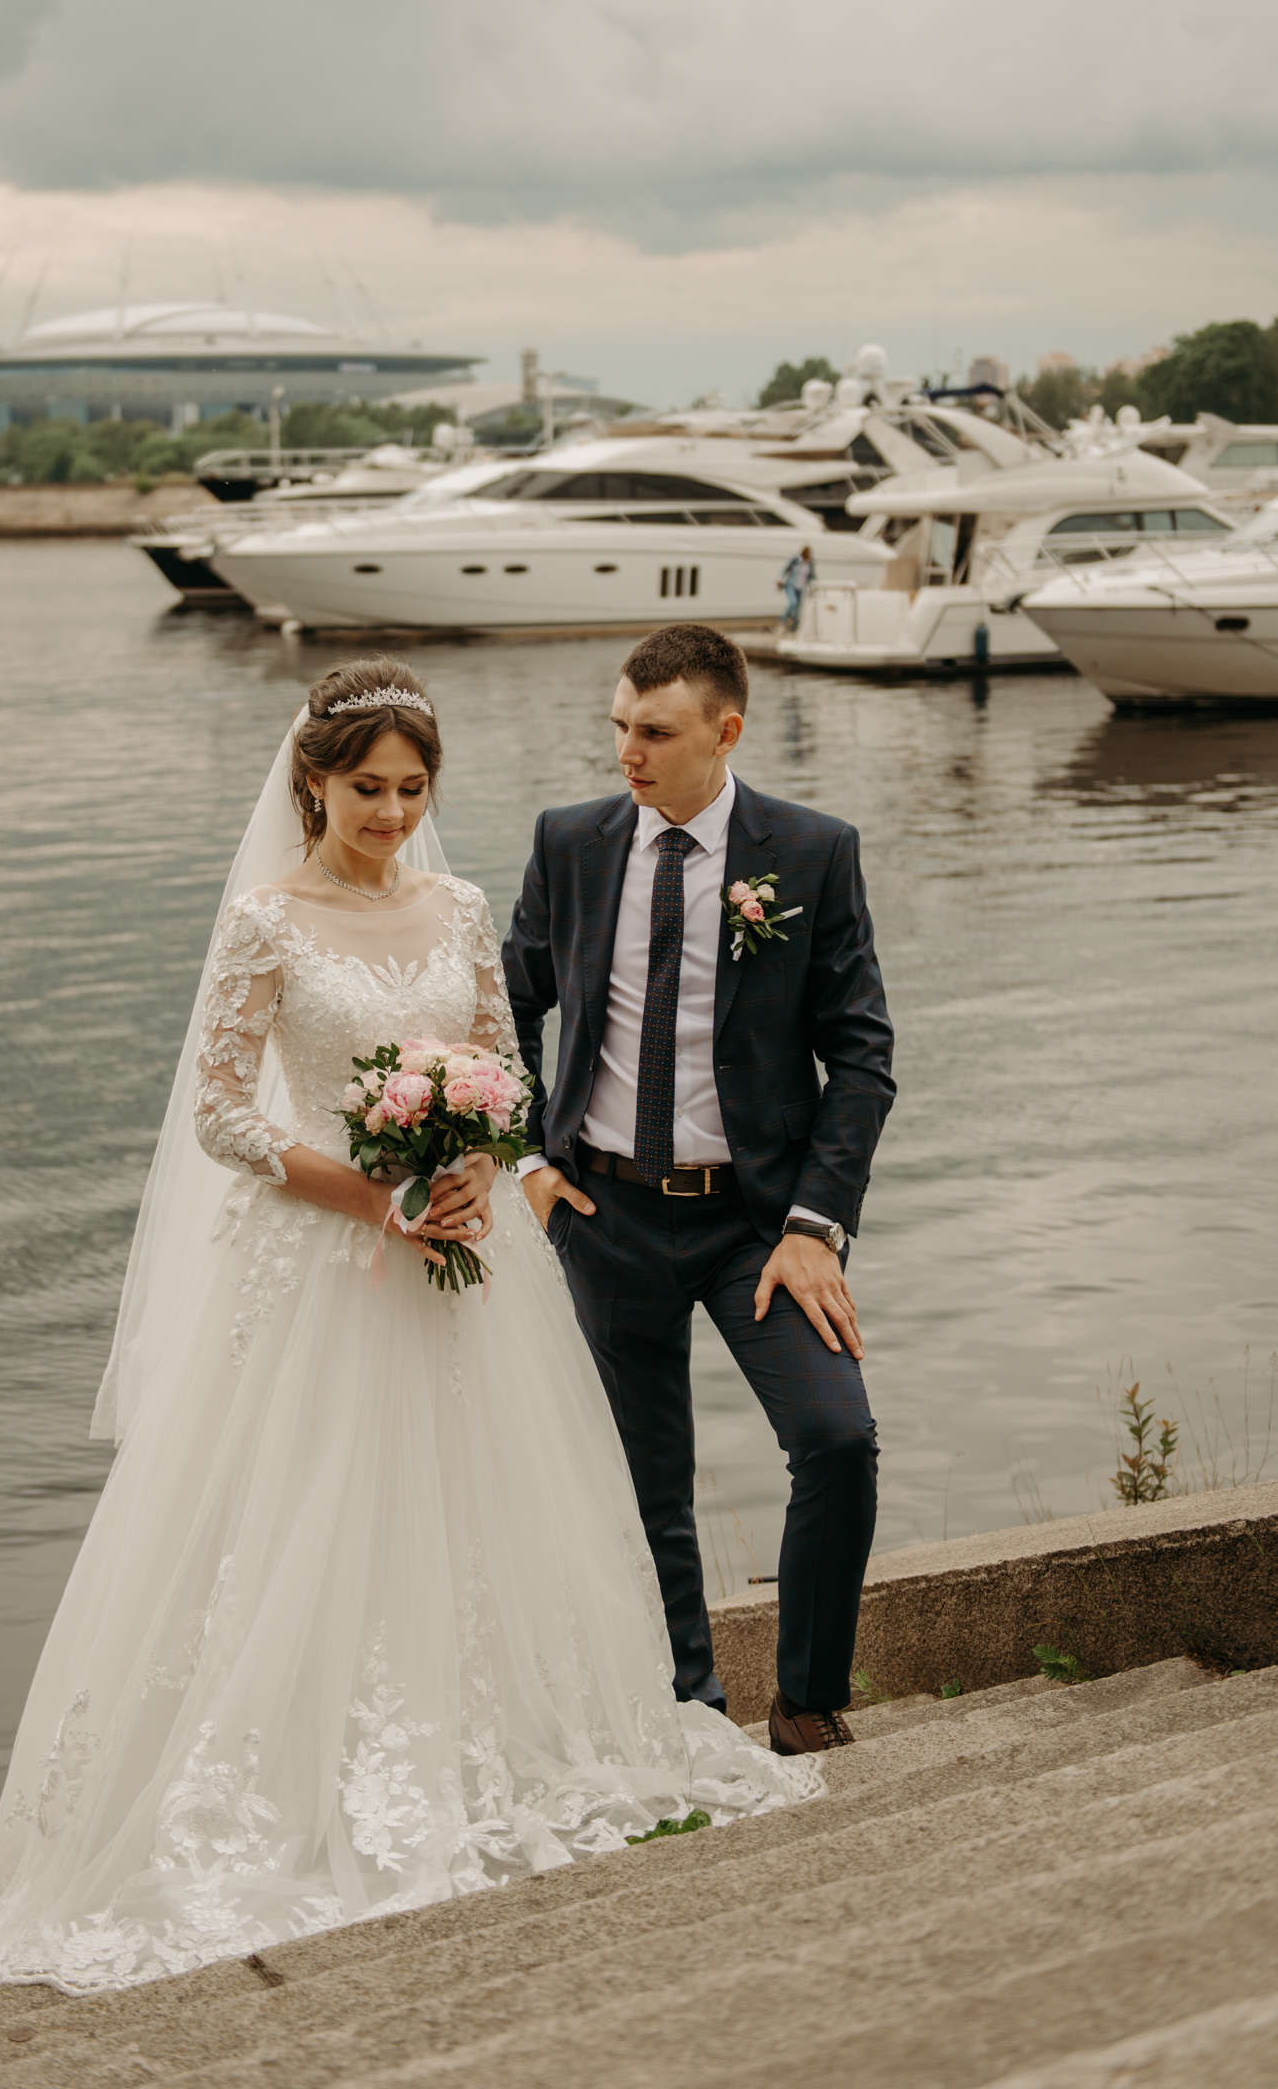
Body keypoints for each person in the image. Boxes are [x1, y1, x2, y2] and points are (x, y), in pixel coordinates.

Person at [0, 656, 819, 2005]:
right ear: (311, 783)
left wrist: (473, 1163)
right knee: (299, 1518)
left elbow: (504, 1070)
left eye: (409, 787)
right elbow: (221, 1114)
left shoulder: (456, 907)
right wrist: (374, 1194)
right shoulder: (265, 922)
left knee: (472, 1508)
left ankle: (493, 1750)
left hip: (460, 1257)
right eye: (364, 788)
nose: (389, 811)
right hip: (317, 1263)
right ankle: (290, 1781)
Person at [503, 622, 894, 1757]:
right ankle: (687, 1717)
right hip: (604, 1214)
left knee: (836, 1440)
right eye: (619, 726)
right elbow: (504, 1006)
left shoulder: (811, 851)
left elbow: (861, 1055)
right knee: (644, 1483)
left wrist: (816, 1225)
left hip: (756, 1225)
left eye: (656, 732)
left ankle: (808, 1700)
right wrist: (529, 1159)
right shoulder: (570, 843)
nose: (629, 751)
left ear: (725, 731)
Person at [778, 544, 816, 630]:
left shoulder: (810, 563)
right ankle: (783, 620)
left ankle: (794, 627)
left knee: (798, 608)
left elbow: (812, 576)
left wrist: (816, 584)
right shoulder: (797, 560)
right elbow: (786, 569)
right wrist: (780, 578)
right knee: (793, 602)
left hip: (801, 587)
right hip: (791, 585)